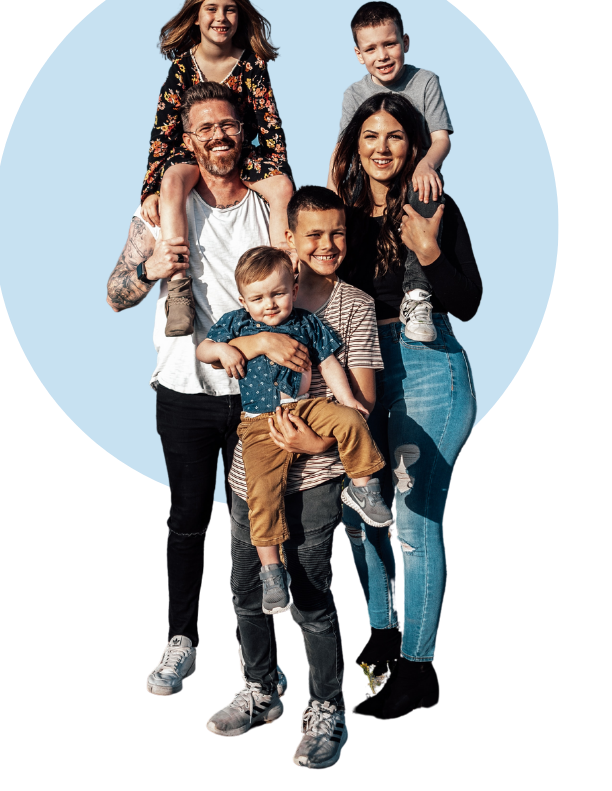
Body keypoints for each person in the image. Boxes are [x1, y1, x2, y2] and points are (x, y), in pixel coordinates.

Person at [106, 81, 288, 700]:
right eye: (205, 127)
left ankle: (255, 657)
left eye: (228, 125)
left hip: (255, 393)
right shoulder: (159, 211)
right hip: (183, 387)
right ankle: (181, 640)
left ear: (245, 133)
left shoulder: (266, 207)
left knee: (253, 524)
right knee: (187, 520)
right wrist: (147, 268)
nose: (218, 136)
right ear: (189, 140)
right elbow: (114, 294)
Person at [204, 186, 384, 770]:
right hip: (249, 468)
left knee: (310, 594)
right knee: (246, 586)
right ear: (289, 240)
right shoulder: (258, 295)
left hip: (318, 467)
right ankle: (261, 688)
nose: (327, 245)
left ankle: (327, 707)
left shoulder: (350, 305)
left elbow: (363, 396)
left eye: (337, 234)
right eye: (313, 234)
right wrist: (255, 339)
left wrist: (316, 440)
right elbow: (212, 350)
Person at [333, 91, 482, 718]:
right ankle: (381, 633)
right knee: (357, 511)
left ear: (414, 146)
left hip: (428, 367)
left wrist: (426, 246)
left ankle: (420, 667)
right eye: (370, 136)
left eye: (395, 136)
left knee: (416, 525)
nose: (382, 147)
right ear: (354, 147)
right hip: (359, 367)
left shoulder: (434, 207)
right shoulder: (339, 213)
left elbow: (468, 299)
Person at [197, 246, 391, 615]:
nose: (269, 304)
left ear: (294, 287)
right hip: (259, 423)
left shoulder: (306, 322)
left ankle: (364, 489)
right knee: (262, 491)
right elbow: (204, 350)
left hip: (308, 408)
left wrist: (347, 399)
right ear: (243, 300)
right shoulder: (236, 323)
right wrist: (223, 352)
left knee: (353, 420)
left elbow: (329, 362)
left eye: (278, 293)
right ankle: (272, 570)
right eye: (258, 298)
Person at [140, 0, 295, 337]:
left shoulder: (253, 64)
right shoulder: (181, 68)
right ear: (196, 15)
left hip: (242, 153)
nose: (221, 18)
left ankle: (287, 275)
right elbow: (162, 132)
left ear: (240, 16)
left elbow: (270, 123)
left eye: (230, 10)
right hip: (192, 154)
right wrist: (150, 189)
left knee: (283, 188)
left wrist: (279, 173)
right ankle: (180, 288)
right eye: (211, 9)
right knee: (173, 179)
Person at [327, 0, 454, 343]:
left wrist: (427, 163)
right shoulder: (354, 94)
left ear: (405, 42)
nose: (381, 55)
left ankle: (416, 296)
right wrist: (330, 198)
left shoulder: (425, 81)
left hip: (415, 180)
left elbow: (441, 139)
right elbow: (342, 150)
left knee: (426, 190)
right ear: (358, 54)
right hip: (369, 185)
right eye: (371, 48)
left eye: (390, 44)